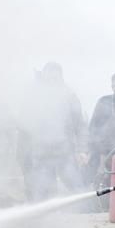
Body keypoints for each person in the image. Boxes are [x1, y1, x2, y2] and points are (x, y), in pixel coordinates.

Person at [16, 62, 87, 201]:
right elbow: (24, 123)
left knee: (76, 186)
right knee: (42, 189)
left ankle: (86, 214)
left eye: (55, 76)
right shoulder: (34, 97)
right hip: (41, 151)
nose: (52, 80)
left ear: (60, 77)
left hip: (65, 151)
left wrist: (82, 149)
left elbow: (80, 125)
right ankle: (45, 218)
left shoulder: (69, 96)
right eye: (49, 76)